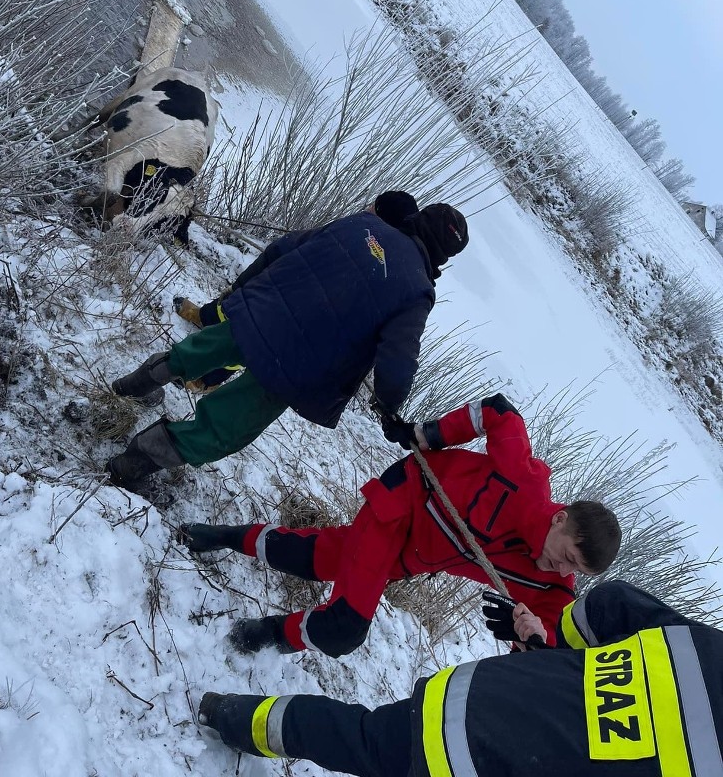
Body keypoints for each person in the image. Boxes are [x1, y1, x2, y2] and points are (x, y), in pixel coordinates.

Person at [181, 394, 621, 655]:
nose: (563, 571)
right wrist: (427, 435)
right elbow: (498, 411)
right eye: (567, 556)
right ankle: (263, 636)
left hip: (411, 557)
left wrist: (531, 638)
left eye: (575, 571)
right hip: (405, 501)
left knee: (315, 558)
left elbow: (549, 646)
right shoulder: (520, 480)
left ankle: (222, 537)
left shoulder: (551, 586)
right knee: (345, 628)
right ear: (561, 520)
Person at [106, 201, 468, 492]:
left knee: (197, 353)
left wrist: (243, 291)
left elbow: (283, 247)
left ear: (418, 218)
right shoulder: (417, 291)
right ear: (444, 258)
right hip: (297, 366)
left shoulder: (361, 225)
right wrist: (389, 406)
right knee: (224, 426)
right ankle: (132, 463)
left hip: (261, 311)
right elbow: (398, 363)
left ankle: (131, 387)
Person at [197, 578, 723, 776]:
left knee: (356, 736)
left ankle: (228, 714)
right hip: (484, 760)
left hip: (480, 696)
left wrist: (552, 650)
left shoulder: (709, 651)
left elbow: (612, 603)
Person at [172, 191, 420, 392]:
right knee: (234, 309)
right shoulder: (356, 233)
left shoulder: (385, 270)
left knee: (250, 340)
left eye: (372, 208)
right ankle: (203, 318)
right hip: (279, 295)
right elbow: (288, 247)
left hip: (291, 310)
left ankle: (208, 379)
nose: (365, 209)